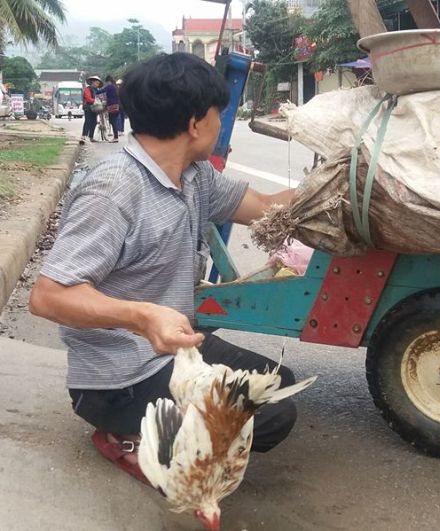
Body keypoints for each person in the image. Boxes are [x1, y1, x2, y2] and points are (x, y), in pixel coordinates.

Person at [29, 53, 299, 482]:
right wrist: (141, 314)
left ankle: (170, 431)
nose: (218, 124)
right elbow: (47, 296)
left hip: (174, 353)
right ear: (195, 123)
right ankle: (127, 437)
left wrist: (339, 185)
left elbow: (265, 209)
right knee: (268, 418)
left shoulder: (195, 176)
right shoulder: (113, 189)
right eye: (218, 115)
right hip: (120, 380)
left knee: (278, 382)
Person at [95, 75, 121, 143]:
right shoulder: (115, 86)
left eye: (107, 82)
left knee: (112, 121)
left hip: (112, 106)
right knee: (113, 121)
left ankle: (116, 137)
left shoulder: (110, 86)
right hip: (117, 105)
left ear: (108, 81)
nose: (106, 83)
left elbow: (101, 91)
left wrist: (95, 90)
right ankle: (116, 137)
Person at [80, 76, 102, 143]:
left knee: (94, 122)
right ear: (92, 82)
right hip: (88, 107)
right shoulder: (87, 89)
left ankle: (91, 137)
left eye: (98, 83)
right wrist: (96, 101)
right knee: (87, 121)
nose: (97, 85)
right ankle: (83, 135)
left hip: (94, 108)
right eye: (96, 83)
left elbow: (100, 97)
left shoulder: (96, 90)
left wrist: (100, 100)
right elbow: (88, 98)